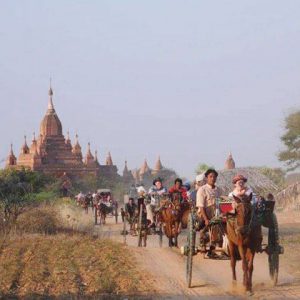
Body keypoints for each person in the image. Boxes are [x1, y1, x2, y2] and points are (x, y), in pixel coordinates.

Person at [196, 169, 222, 252]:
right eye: (210, 176)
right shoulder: (202, 190)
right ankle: (203, 240)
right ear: (207, 178)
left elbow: (222, 203)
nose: (212, 178)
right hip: (205, 213)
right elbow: (201, 206)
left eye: (214, 177)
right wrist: (206, 219)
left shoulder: (219, 190)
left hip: (217, 213)